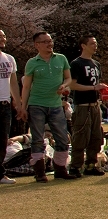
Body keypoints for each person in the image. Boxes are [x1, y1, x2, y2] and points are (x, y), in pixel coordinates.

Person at [20, 32, 76, 182]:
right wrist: (23, 107)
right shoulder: (32, 62)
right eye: (45, 42)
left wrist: (64, 85)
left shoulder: (61, 58)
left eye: (50, 41)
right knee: (38, 139)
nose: (49, 44)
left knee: (62, 138)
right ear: (37, 45)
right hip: (36, 104)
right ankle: (40, 172)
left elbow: (68, 77)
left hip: (56, 104)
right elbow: (26, 87)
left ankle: (60, 169)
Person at [67, 35, 106, 177]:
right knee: (80, 136)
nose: (95, 46)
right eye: (92, 43)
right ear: (83, 45)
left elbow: (96, 84)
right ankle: (75, 166)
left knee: (96, 136)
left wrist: (101, 91)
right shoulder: (76, 64)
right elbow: (72, 85)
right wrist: (94, 88)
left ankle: (91, 164)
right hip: (82, 106)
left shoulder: (96, 64)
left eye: (96, 43)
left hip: (96, 105)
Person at [0, 29, 25, 185]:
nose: (3, 38)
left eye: (3, 36)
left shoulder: (9, 59)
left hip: (4, 104)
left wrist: (18, 103)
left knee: (2, 140)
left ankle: (0, 174)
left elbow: (13, 83)